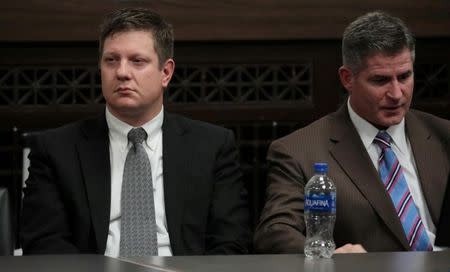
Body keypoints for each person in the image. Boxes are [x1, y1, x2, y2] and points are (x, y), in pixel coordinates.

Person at [20, 7, 250, 256]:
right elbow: (43, 243)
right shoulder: (55, 150)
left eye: (137, 61)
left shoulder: (213, 146)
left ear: (166, 72)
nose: (121, 72)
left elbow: (232, 242)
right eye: (111, 60)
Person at [254, 11, 450, 253]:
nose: (397, 93)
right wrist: (328, 256)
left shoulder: (444, 135)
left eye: (404, 76)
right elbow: (275, 231)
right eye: (380, 80)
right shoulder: (298, 152)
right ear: (347, 78)